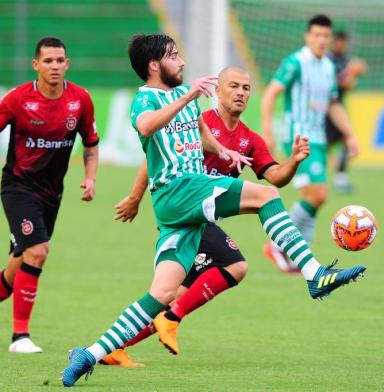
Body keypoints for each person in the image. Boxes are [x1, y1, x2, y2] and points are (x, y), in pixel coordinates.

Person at [61, 34, 365, 387]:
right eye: (174, 56)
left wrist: (224, 152)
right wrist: (189, 96)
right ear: (154, 65)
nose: (183, 62)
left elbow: (200, 131)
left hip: (180, 209)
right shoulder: (146, 97)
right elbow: (145, 127)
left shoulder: (186, 98)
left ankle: (90, 353)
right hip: (179, 187)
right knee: (265, 198)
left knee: (161, 294)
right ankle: (314, 274)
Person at [98, 65, 311, 365]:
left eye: (246, 88)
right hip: (187, 210)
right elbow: (154, 158)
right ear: (218, 91)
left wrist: (294, 161)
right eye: (233, 86)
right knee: (235, 265)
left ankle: (114, 347)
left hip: (203, 221)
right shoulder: (198, 121)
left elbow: (274, 177)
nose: (240, 92)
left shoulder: (249, 139)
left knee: (175, 292)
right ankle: (172, 319)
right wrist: (135, 197)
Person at [0, 37, 99, 353]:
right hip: (18, 187)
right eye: (48, 61)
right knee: (38, 251)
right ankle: (20, 338)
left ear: (67, 64)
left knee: (18, 264)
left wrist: (90, 178)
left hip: (52, 193)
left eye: (60, 61)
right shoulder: (18, 99)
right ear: (36, 65)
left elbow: (91, 143)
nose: (54, 66)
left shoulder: (80, 100)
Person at [262, 15, 360, 272]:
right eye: (317, 35)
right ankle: (277, 244)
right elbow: (271, 92)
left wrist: (350, 134)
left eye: (325, 36)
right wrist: (267, 130)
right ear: (308, 37)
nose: (322, 40)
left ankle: (296, 254)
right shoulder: (295, 62)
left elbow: (334, 104)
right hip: (299, 138)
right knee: (318, 194)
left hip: (319, 138)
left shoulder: (328, 66)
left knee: (314, 198)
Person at [326, 31, 368, 192]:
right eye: (339, 41)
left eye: (344, 42)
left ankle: (340, 178)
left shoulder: (343, 61)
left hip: (339, 108)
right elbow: (332, 83)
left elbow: (347, 85)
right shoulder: (328, 60)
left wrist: (353, 76)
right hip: (327, 110)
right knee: (324, 145)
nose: (341, 45)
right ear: (334, 42)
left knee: (346, 140)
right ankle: (310, 175)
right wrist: (351, 71)